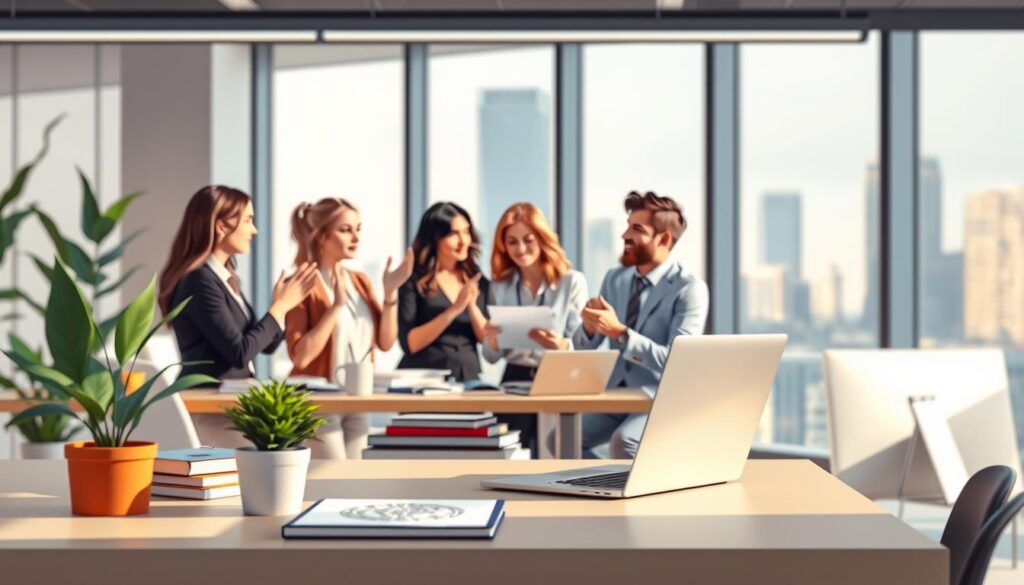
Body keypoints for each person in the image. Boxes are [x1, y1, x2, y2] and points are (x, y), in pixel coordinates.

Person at [158, 185, 318, 445]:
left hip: (232, 404)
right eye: (248, 221)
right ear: (221, 226)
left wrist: (281, 305)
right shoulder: (199, 281)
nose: (253, 230)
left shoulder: (226, 279)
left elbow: (267, 345)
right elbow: (239, 352)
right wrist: (278, 309)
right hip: (209, 408)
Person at [566, 191, 709, 459]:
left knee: (624, 442)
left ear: (664, 239)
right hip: (616, 394)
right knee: (561, 440)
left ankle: (630, 496)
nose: (625, 236)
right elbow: (586, 343)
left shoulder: (689, 289)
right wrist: (589, 326)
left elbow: (677, 360)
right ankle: (599, 486)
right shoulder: (615, 278)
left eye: (636, 229)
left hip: (659, 398)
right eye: (627, 226)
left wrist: (619, 333)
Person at [285, 197, 413, 459]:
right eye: (345, 230)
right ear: (321, 237)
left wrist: (390, 293)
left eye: (358, 229)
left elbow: (386, 342)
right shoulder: (300, 283)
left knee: (356, 482)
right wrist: (336, 308)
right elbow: (301, 355)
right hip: (319, 401)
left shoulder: (360, 281)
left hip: (358, 400)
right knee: (334, 478)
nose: (355, 237)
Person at [483, 203, 588, 456]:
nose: (520, 249)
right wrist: (492, 340)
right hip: (513, 379)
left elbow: (583, 345)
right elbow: (490, 356)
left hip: (555, 377)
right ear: (503, 246)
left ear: (542, 239)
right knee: (507, 458)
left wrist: (561, 345)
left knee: (553, 455)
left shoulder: (570, 282)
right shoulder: (500, 287)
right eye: (512, 242)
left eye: (528, 240)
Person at [397, 201, 493, 381]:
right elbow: (410, 343)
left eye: (466, 232)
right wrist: (454, 309)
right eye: (453, 234)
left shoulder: (478, 280)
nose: (463, 241)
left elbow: (487, 340)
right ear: (435, 238)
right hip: (423, 380)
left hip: (468, 378)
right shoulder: (413, 281)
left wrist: (471, 307)